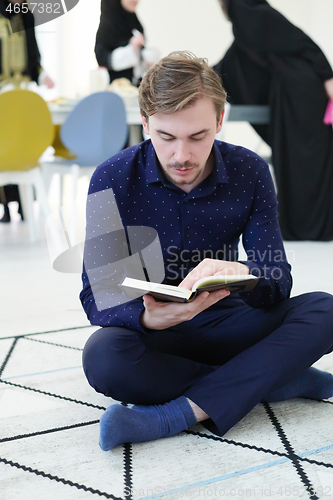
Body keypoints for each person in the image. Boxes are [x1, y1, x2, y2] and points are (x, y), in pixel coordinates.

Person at [80, 51, 333, 451]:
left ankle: (175, 414)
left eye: (197, 136)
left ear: (219, 121)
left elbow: (277, 276)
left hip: (232, 322)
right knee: (103, 357)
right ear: (145, 123)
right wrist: (147, 317)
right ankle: (274, 379)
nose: (182, 155)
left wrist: (243, 271)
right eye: (166, 137)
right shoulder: (111, 177)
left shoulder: (250, 170)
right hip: (158, 336)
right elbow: (97, 294)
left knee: (326, 309)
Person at [213, 0, 333, 241]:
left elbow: (302, 42)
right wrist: (204, 77)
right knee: (300, 163)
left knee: (303, 164)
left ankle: (310, 228)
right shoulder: (251, 15)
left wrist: (328, 76)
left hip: (302, 99)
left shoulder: (250, 10)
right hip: (297, 97)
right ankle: (310, 227)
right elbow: (235, 59)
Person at [0, 0, 54, 223]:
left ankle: (24, 205)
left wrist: (43, 75)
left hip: (23, 94)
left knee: (24, 146)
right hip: (2, 93)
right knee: (5, 147)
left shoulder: (27, 16)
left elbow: (34, 57)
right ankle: (4, 205)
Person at [94, 0, 159, 87]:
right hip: (116, 90)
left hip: (138, 89)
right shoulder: (107, 27)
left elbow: (143, 62)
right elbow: (102, 59)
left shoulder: (136, 24)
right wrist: (132, 48)